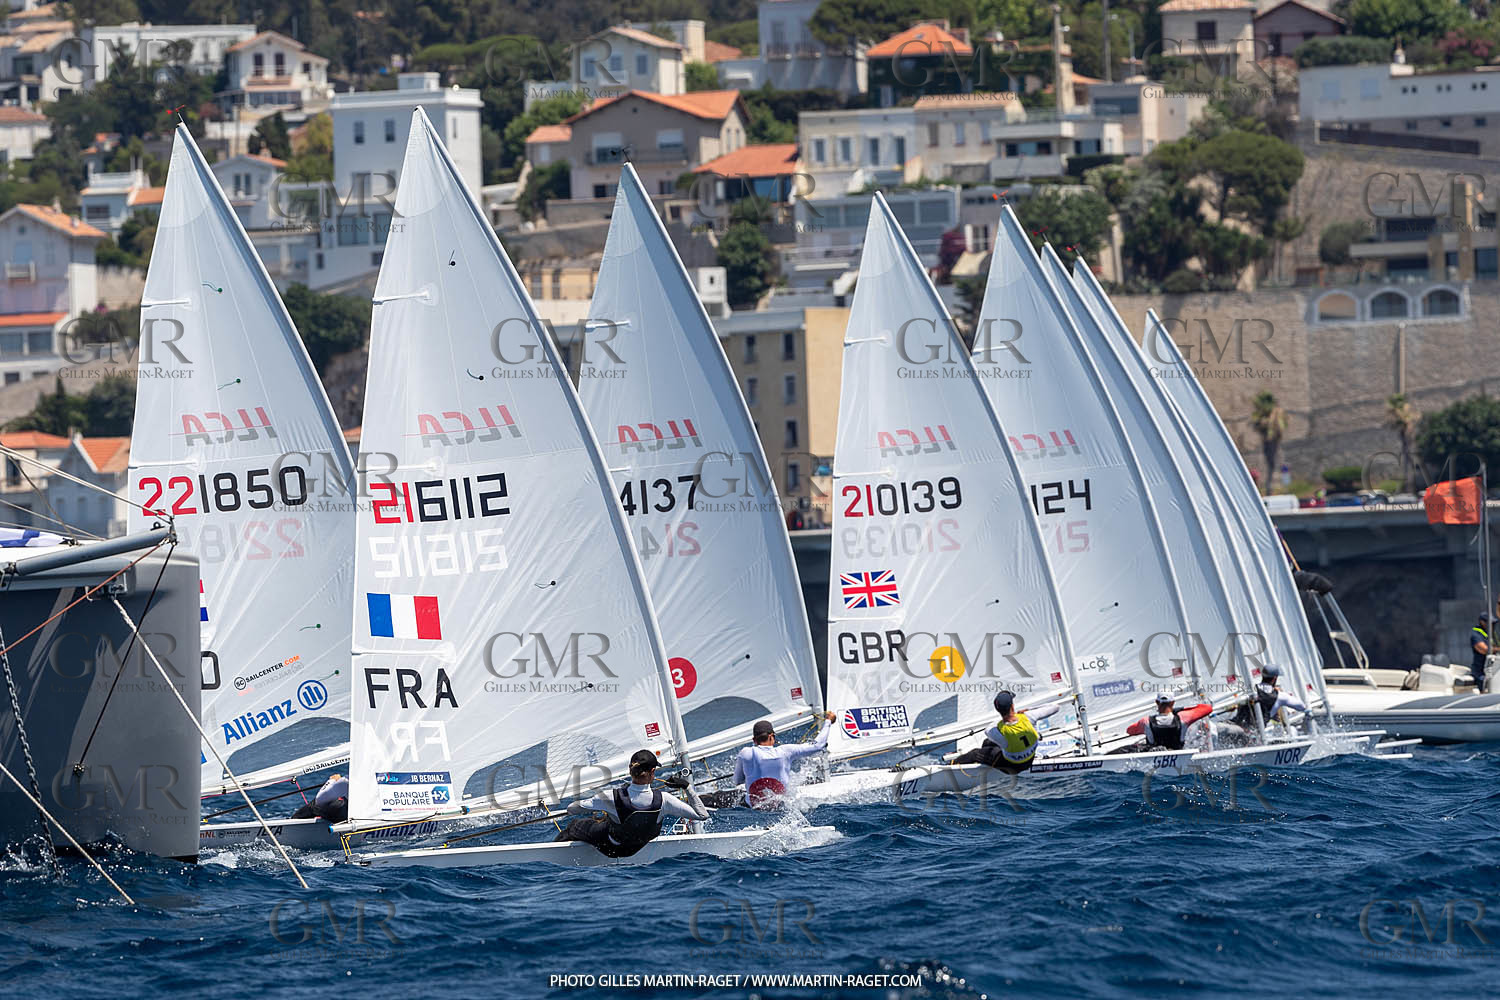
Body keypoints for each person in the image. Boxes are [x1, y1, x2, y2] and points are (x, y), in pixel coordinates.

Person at [554, 750, 709, 858]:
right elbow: (703, 815)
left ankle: (554, 853)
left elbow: (571, 809)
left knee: (575, 824)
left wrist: (597, 805)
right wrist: (687, 787)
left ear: (630, 770)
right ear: (653, 771)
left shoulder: (611, 796)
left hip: (610, 848)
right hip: (636, 849)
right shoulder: (665, 799)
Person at [732, 710, 837, 808]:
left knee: (724, 796)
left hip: (751, 807)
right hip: (779, 807)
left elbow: (737, 781)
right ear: (771, 736)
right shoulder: (785, 752)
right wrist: (828, 721)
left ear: (754, 740)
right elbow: (818, 746)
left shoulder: (745, 753)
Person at [950, 691, 1060, 774]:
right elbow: (1055, 707)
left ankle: (950, 766)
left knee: (975, 753)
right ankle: (982, 766)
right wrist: (1028, 709)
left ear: (998, 710)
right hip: (1029, 760)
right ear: (1012, 706)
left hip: (1010, 767)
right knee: (988, 743)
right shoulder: (1030, 716)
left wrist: (1004, 718)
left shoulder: (997, 730)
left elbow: (988, 730)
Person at [1125, 693, 1213, 750]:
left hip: (1154, 757)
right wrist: (1181, 709)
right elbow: (1208, 708)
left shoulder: (1146, 721)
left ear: (1157, 702)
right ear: (1173, 703)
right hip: (1177, 754)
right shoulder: (1184, 717)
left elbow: (1129, 730)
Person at [1471, 614, 1492, 686]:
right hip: (1480, 672)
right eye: (1489, 622)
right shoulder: (1476, 634)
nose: (1491, 624)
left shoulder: (1489, 633)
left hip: (1491, 670)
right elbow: (1483, 649)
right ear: (1482, 622)